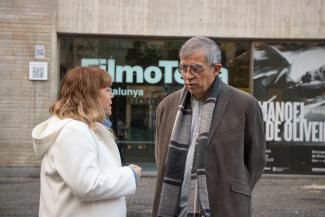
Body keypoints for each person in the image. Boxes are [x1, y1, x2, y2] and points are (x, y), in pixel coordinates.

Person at [152, 36, 266, 217]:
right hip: (174, 209)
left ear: (216, 69)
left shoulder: (244, 105)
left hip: (225, 207)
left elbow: (256, 161)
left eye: (196, 68)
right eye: (183, 68)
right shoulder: (167, 106)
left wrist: (231, 192)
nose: (188, 75)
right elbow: (161, 158)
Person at [32, 66, 142, 217]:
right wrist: (130, 174)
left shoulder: (82, 128)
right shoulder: (74, 131)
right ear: (90, 94)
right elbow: (86, 186)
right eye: (107, 90)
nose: (112, 95)